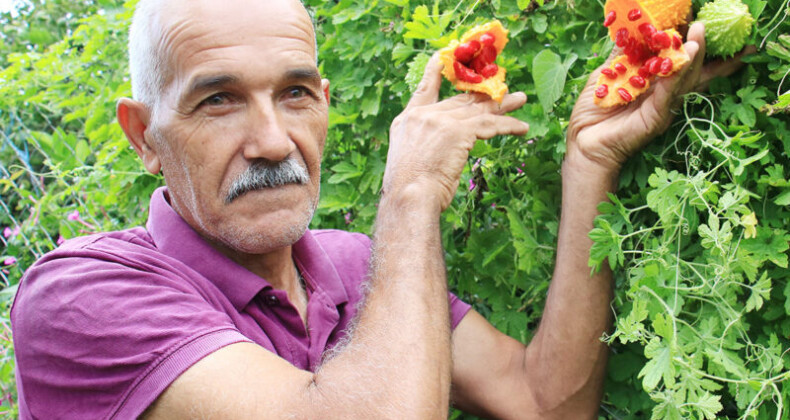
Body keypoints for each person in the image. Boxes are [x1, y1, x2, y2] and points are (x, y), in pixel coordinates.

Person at [10, 0, 745, 418]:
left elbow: (546, 402)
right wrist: (411, 192)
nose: (273, 141)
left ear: (324, 105)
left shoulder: (353, 265)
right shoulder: (81, 294)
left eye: (295, 93)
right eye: (218, 100)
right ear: (144, 136)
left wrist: (590, 159)